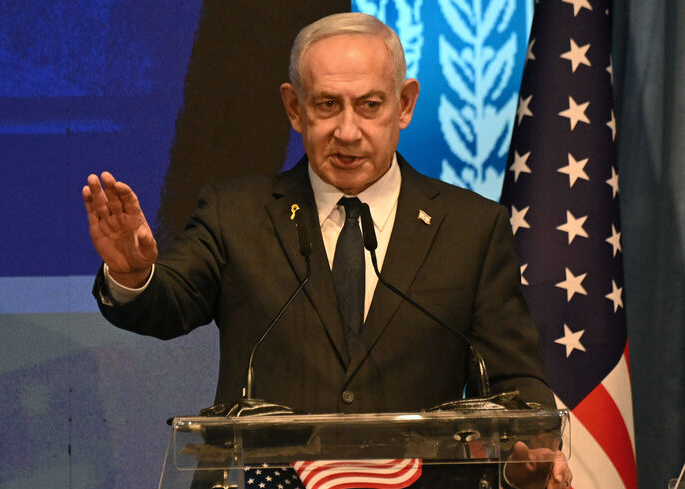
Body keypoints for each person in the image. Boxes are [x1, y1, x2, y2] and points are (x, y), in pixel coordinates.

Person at [82, 12, 571, 489]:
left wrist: (526, 459)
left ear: (405, 104)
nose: (348, 131)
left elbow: (514, 384)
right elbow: (169, 304)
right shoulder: (236, 213)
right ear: (295, 108)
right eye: (327, 105)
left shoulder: (471, 227)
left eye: (370, 105)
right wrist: (133, 273)